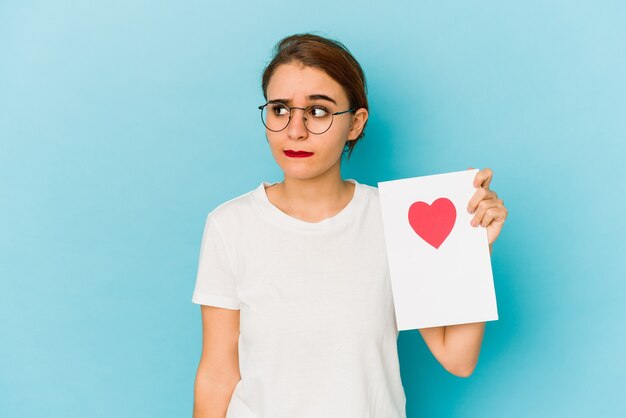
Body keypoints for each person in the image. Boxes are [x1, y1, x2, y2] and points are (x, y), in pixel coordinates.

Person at [191, 33, 508, 418]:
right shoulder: (230, 225)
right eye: (280, 109)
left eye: (318, 111)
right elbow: (217, 373)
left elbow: (457, 358)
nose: (295, 130)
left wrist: (474, 250)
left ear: (355, 124)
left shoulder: (399, 219)